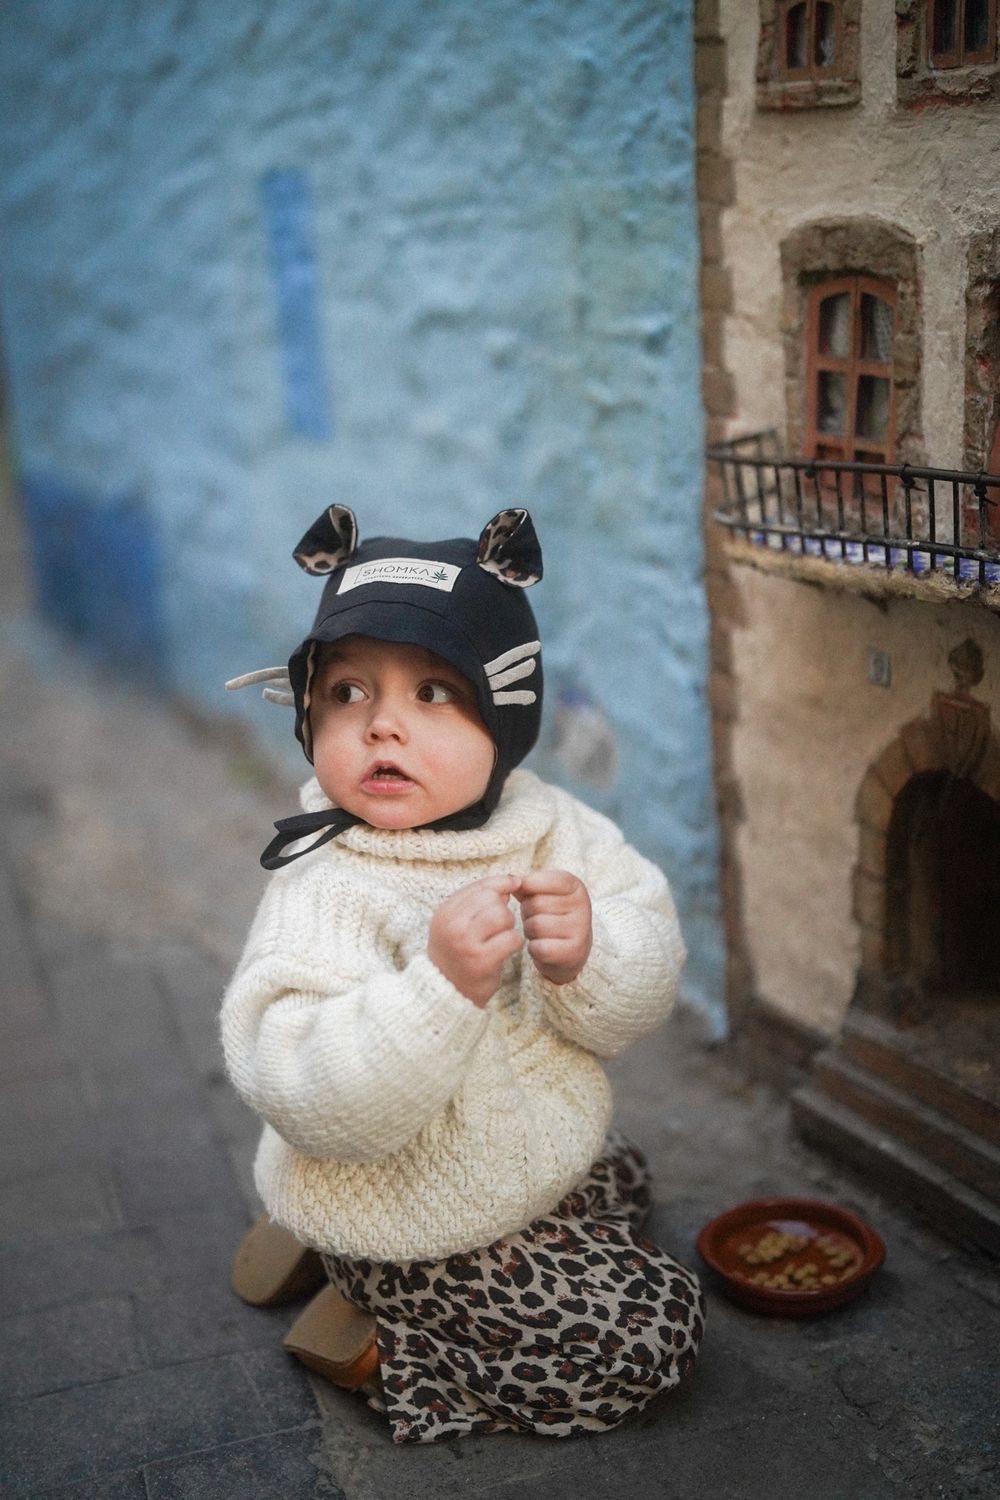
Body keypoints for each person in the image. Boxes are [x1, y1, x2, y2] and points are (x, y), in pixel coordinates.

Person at [221, 504, 705, 1444]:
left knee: (626, 1176)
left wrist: (591, 950)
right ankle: (381, 1339)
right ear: (308, 706)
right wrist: (437, 990)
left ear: (506, 717)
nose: (383, 729)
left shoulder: (551, 825)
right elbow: (294, 1078)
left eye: (434, 694)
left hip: (515, 1141)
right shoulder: (328, 883)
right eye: (350, 693)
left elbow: (646, 974)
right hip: (401, 1201)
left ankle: (314, 1248)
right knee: (653, 1331)